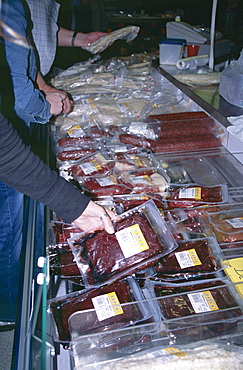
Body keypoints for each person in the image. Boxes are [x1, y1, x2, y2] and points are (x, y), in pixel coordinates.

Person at [0, 0, 113, 329]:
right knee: (8, 222)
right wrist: (39, 104)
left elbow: (23, 48)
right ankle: (9, 309)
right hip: (20, 111)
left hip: (20, 112)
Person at [25, 0, 107, 77]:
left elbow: (43, 30)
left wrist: (84, 39)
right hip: (25, 75)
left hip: (40, 72)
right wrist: (41, 84)